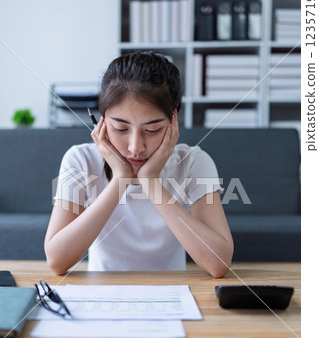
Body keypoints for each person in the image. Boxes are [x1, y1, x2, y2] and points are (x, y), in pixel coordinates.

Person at [45, 51, 233, 276]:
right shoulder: (80, 160)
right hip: (103, 291)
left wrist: (149, 180)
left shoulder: (193, 162)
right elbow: (57, 261)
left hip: (171, 292)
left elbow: (218, 264)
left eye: (152, 129)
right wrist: (120, 178)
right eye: (121, 128)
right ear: (101, 122)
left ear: (174, 119)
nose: (135, 147)